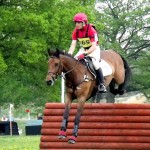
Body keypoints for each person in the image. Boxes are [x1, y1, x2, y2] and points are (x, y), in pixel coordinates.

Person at [68, 12, 107, 92]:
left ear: (84, 22)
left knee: (95, 64)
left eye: (79, 22)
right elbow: (73, 44)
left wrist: (84, 54)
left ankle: (101, 84)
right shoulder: (76, 31)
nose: (76, 24)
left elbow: (93, 46)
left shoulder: (92, 31)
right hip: (84, 48)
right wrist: (70, 53)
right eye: (76, 22)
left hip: (94, 49)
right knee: (74, 62)